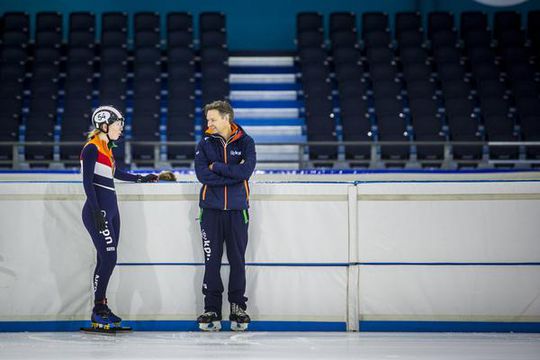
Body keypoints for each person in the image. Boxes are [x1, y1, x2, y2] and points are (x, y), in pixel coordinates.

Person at [80, 105, 158, 331]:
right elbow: (87, 182)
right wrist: (96, 211)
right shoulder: (91, 148)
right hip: (99, 210)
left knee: (106, 259)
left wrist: (141, 179)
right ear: (104, 125)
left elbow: (116, 173)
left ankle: (101, 307)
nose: (120, 129)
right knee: (109, 258)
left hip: (110, 210)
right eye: (117, 125)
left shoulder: (107, 147)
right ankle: (98, 308)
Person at [194, 100, 257, 331]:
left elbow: (246, 172)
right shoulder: (205, 143)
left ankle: (237, 307)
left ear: (225, 118)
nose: (208, 123)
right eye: (208, 119)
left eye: (212, 119)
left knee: (237, 261)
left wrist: (217, 167)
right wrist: (233, 173)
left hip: (238, 211)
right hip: (210, 211)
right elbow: (203, 176)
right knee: (212, 262)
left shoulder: (247, 142)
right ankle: (211, 308)